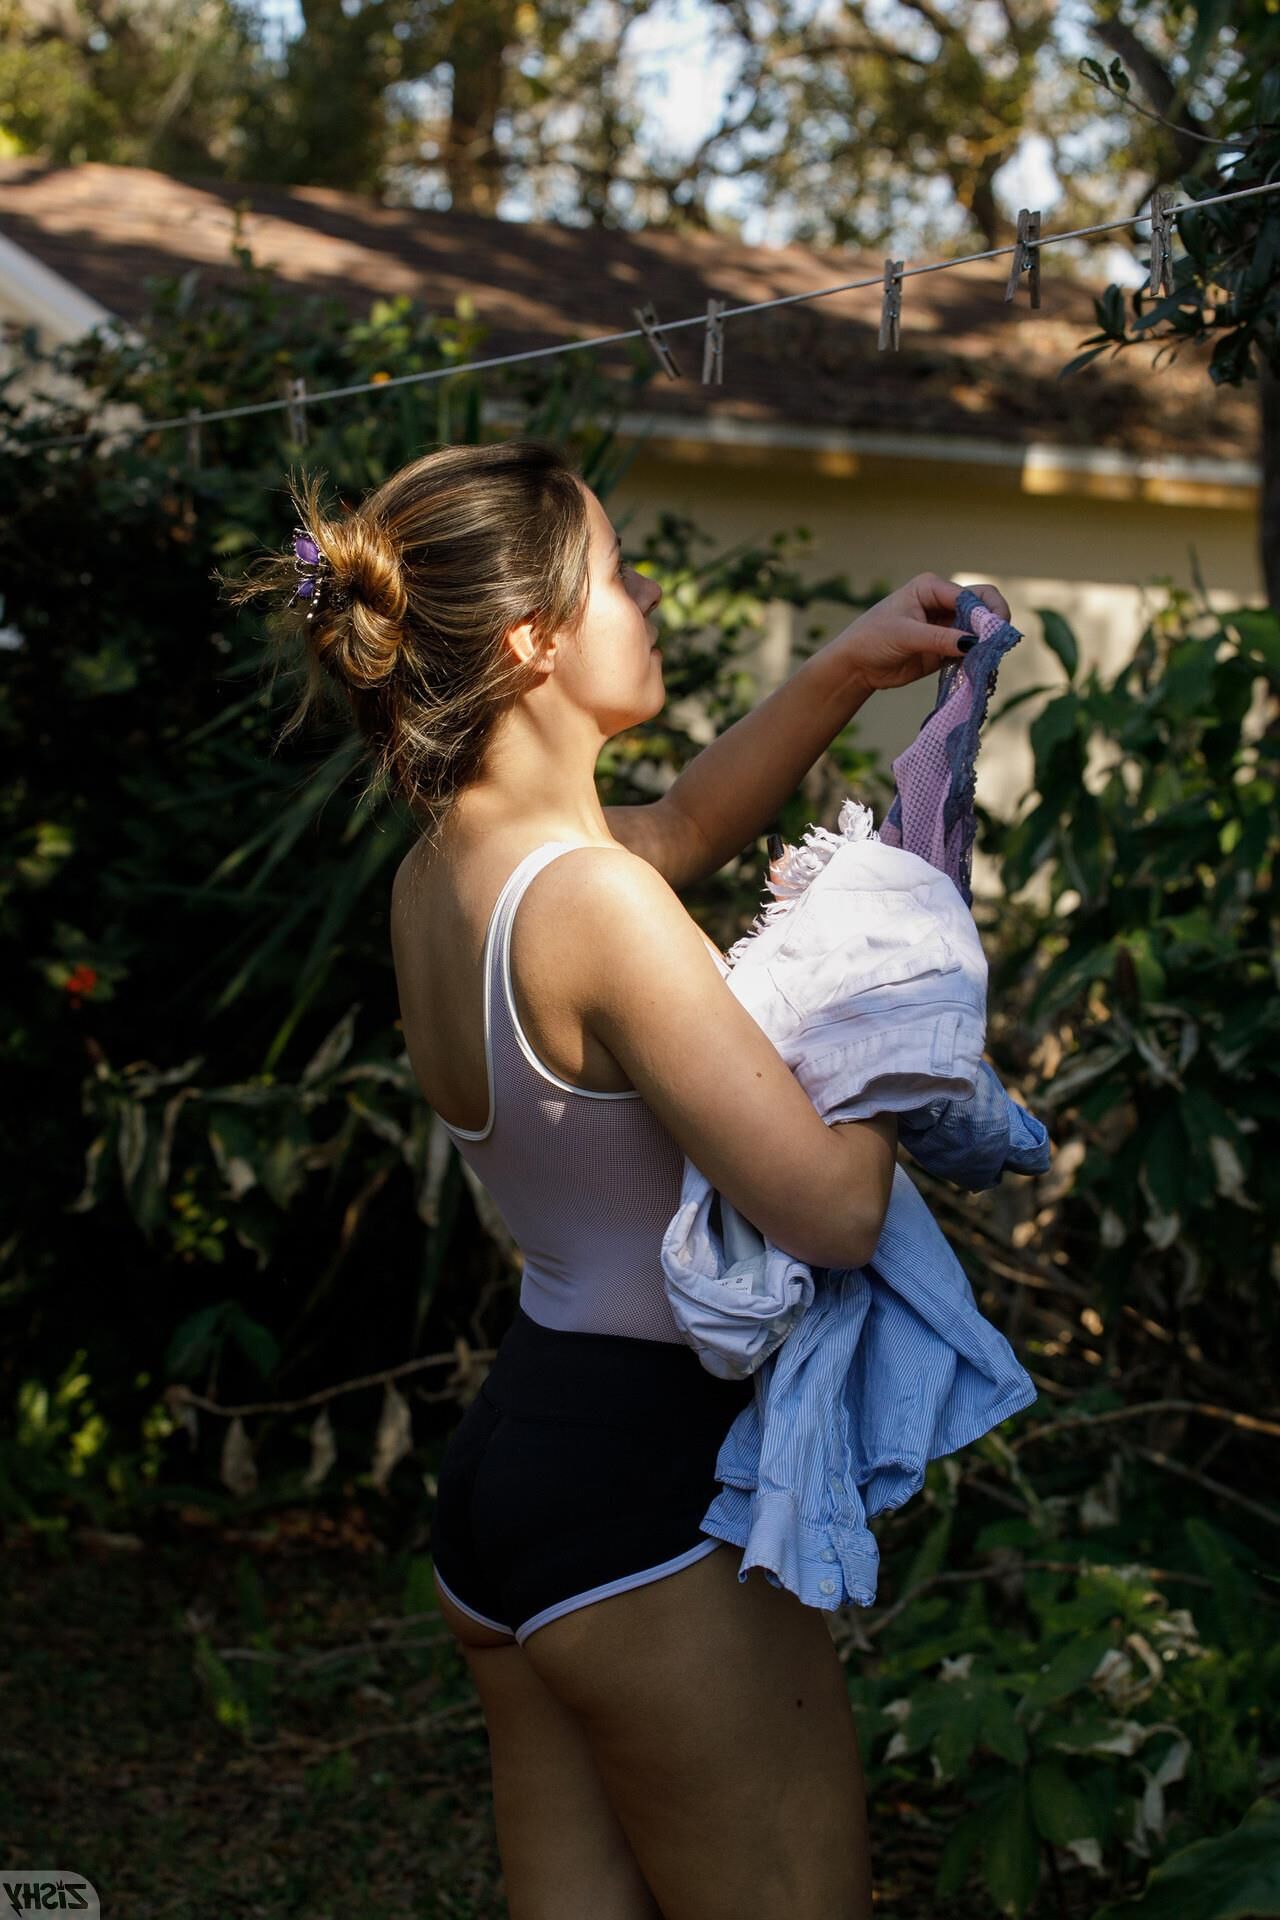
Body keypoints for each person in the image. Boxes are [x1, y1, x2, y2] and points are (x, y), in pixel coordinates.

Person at [225, 438, 1010, 1919]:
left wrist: (845, 669)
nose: (645, 596)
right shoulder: (591, 905)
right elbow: (834, 1211)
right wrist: (897, 978)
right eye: (620, 573)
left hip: (521, 1477)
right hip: (653, 1504)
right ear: (535, 641)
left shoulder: (452, 871)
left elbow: (687, 829)